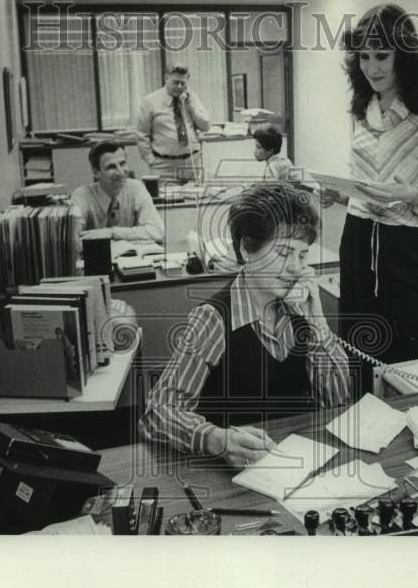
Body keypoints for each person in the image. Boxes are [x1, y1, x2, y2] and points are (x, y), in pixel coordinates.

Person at [139, 181, 356, 467]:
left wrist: (319, 324)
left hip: (298, 461)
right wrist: (216, 439)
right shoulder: (214, 318)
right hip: (236, 473)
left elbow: (338, 402)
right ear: (246, 250)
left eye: (301, 255)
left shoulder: (301, 311)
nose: (294, 268)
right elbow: (156, 414)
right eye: (282, 253)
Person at [339, 3, 418, 370]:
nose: (371, 67)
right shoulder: (361, 107)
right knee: (361, 344)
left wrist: (414, 194)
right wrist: (343, 193)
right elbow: (366, 178)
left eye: (381, 55)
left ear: (403, 56)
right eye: (363, 57)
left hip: (409, 244)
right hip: (359, 238)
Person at [70, 140, 163, 244]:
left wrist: (111, 232)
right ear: (96, 172)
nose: (120, 172)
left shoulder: (136, 188)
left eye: (122, 164)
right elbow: (72, 238)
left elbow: (158, 232)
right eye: (111, 167)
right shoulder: (81, 195)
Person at [135, 65, 210, 183]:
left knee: (197, 198)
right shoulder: (150, 101)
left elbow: (205, 126)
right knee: (167, 200)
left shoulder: (191, 98)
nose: (179, 87)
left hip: (192, 163)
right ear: (166, 78)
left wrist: (191, 105)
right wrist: (151, 161)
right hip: (165, 166)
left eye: (183, 83)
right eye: (175, 82)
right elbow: (142, 134)